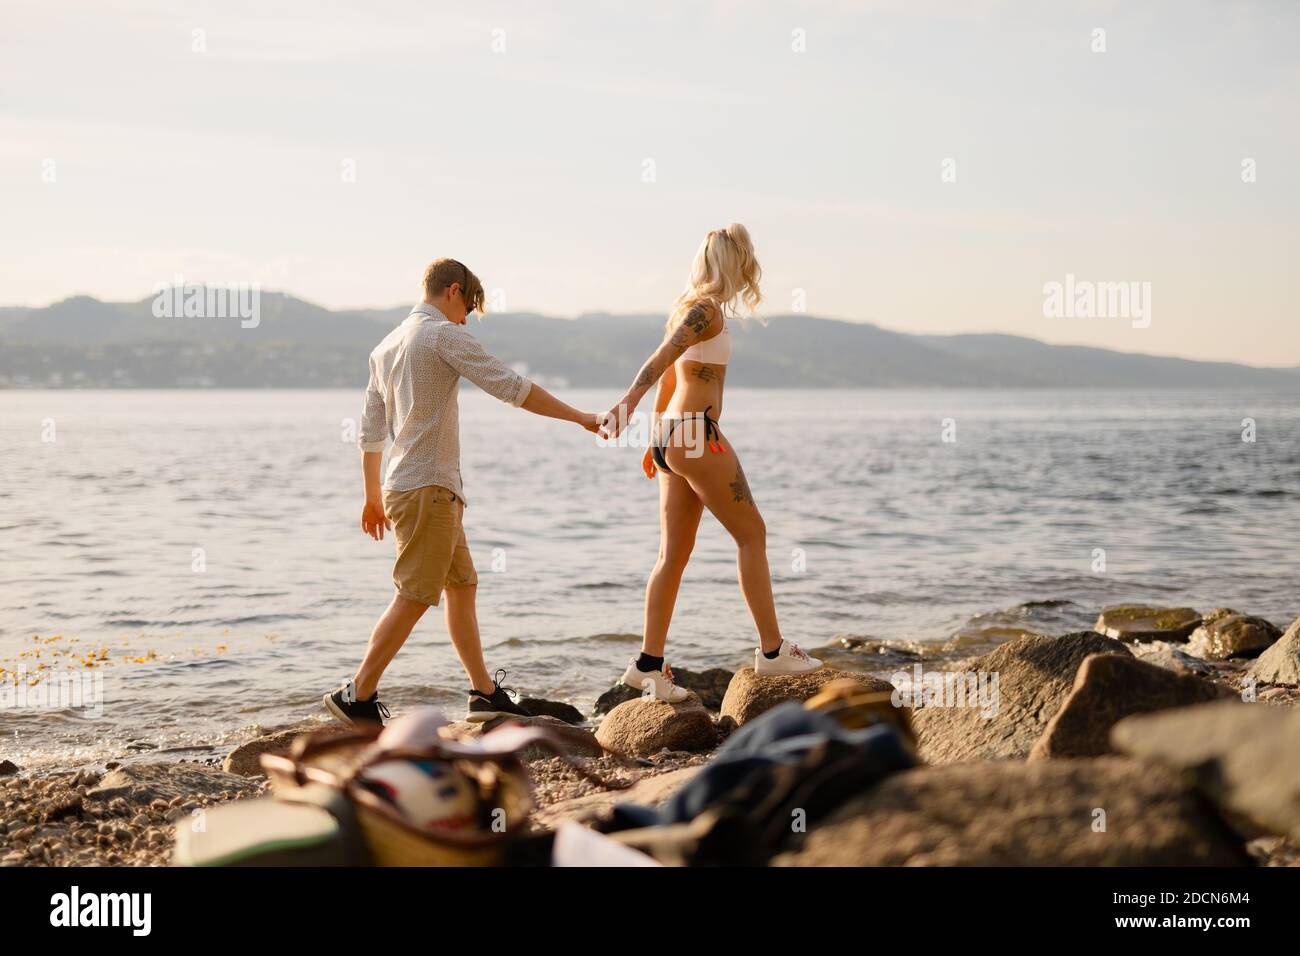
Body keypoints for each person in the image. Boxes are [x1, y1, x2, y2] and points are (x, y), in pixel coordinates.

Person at [324, 258, 599, 725]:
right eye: (468, 305)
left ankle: (484, 692)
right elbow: (511, 387)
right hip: (429, 488)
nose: (467, 317)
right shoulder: (441, 335)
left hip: (410, 487)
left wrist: (372, 495)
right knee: (414, 595)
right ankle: (357, 693)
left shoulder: (386, 345)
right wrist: (582, 418)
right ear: (453, 291)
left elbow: (370, 432)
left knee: (462, 586)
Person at [598, 224, 822, 702]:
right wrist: (627, 404)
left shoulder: (690, 308)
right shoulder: (705, 311)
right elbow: (659, 361)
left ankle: (648, 666)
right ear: (735, 261)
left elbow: (669, 380)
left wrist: (654, 439)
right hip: (697, 434)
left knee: (672, 556)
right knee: (752, 535)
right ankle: (773, 651)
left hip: (673, 438)